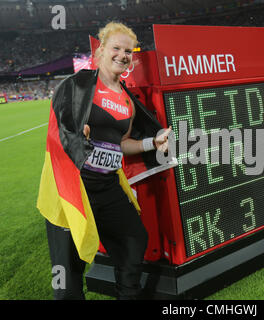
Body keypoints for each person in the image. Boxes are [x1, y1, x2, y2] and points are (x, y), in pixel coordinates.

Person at [37, 21, 171, 300]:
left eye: (128, 50)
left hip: (108, 187)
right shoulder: (77, 85)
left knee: (134, 239)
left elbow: (121, 145)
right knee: (67, 274)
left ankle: (128, 294)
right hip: (72, 189)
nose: (123, 55)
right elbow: (60, 129)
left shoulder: (127, 101)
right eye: (116, 48)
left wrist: (151, 143)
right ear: (100, 50)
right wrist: (78, 138)